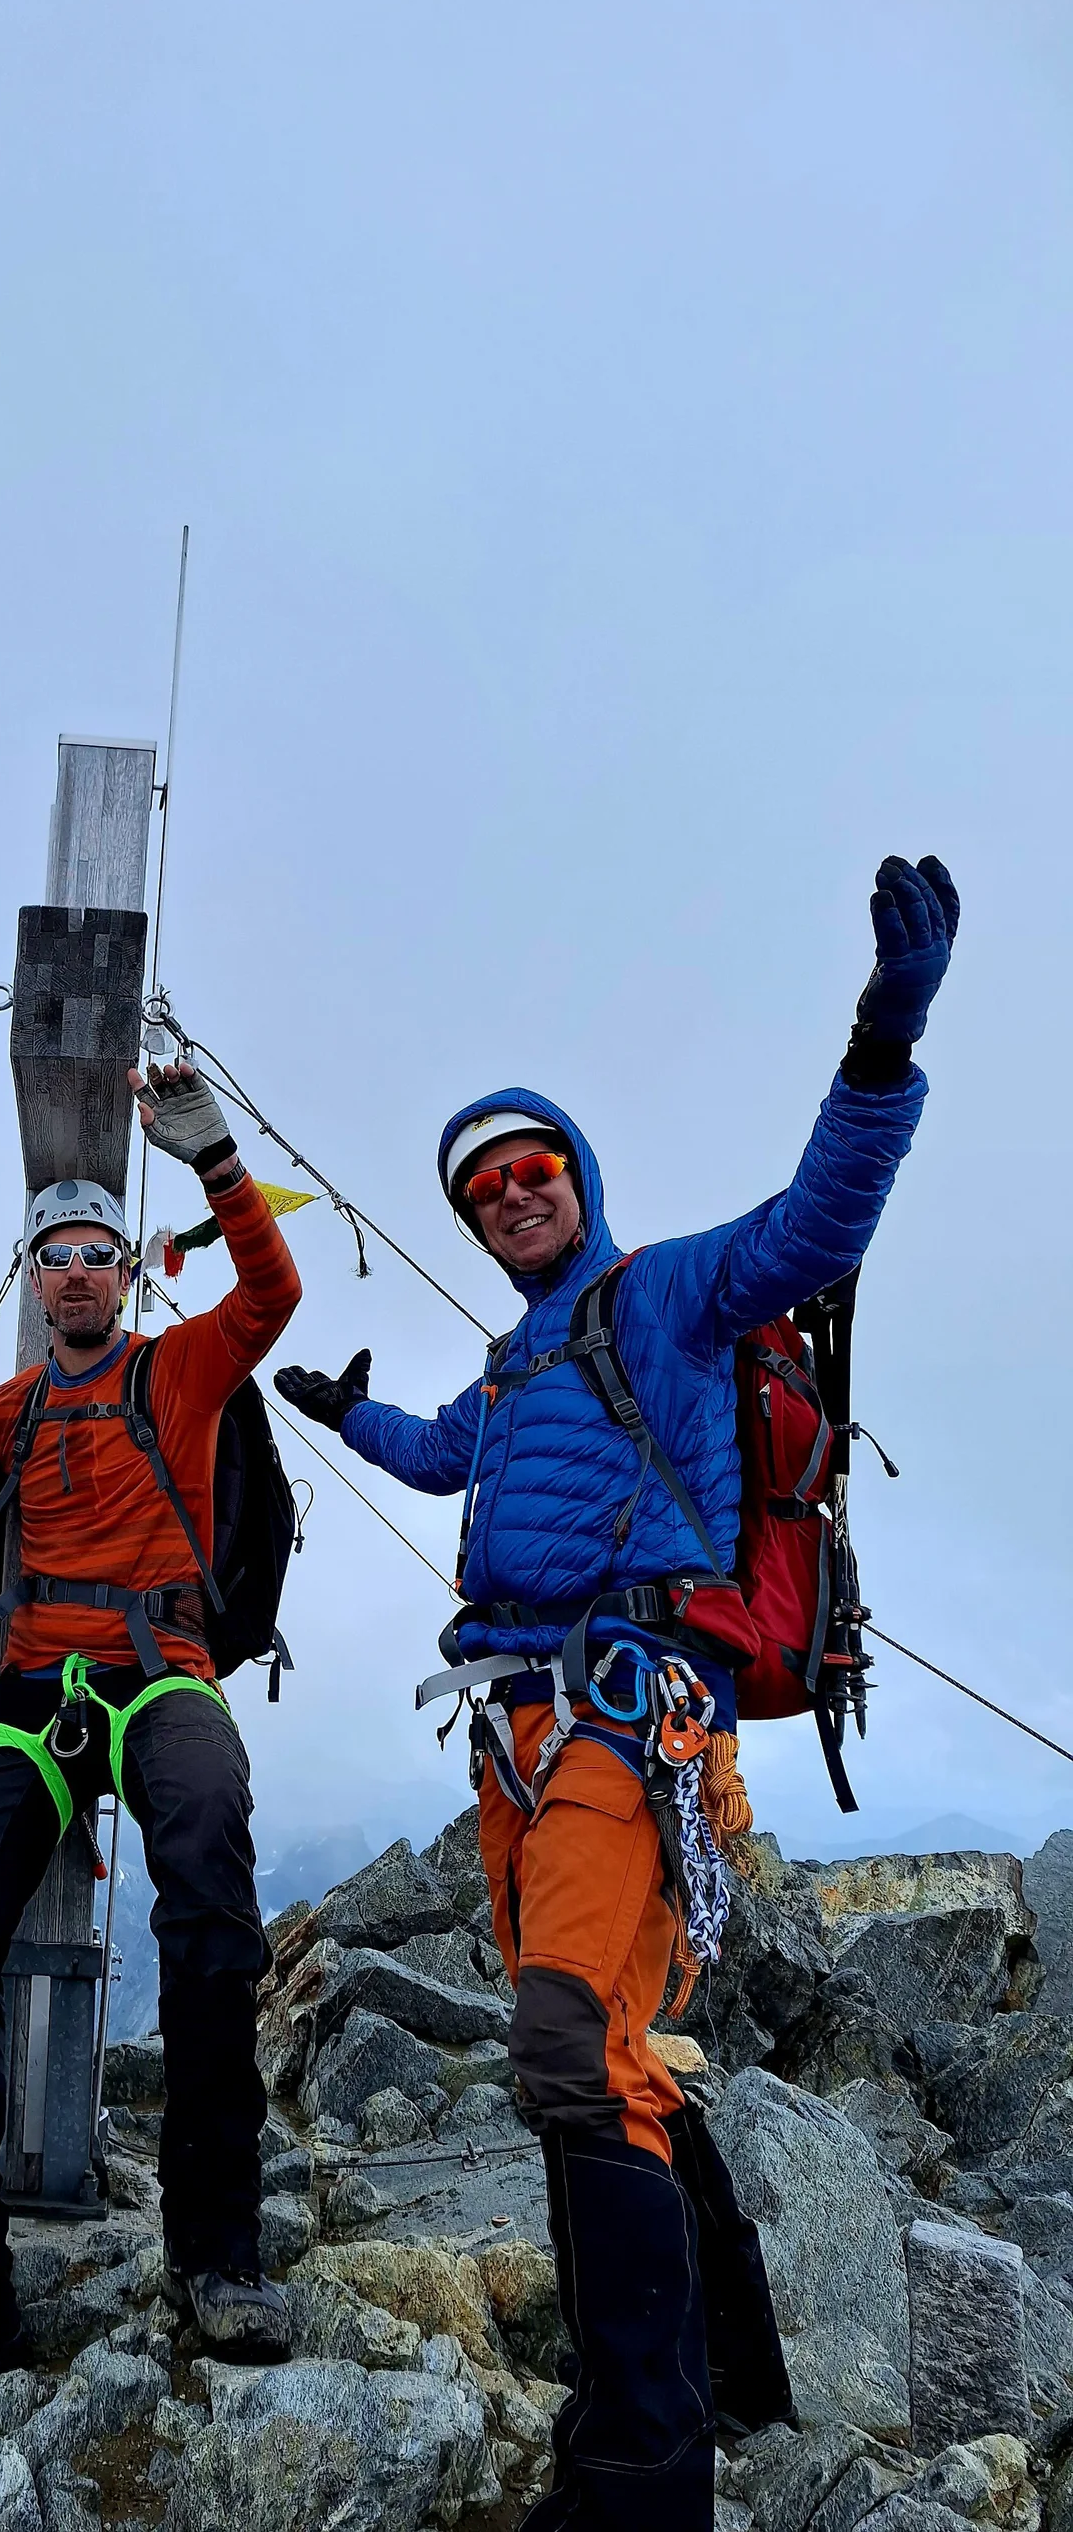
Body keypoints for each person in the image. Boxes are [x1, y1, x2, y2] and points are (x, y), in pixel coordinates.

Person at [275, 857, 959, 2530]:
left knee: (573, 2052)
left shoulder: (663, 1294)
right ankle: (701, 2391)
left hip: (628, 1718)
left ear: (578, 1175)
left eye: (533, 1169)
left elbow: (821, 1222)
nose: (513, 1195)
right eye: (486, 1186)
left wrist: (888, 1034)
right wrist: (346, 1417)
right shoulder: (513, 1367)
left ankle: (641, 2478)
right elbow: (449, 1462)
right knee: (605, 2062)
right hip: (527, 1742)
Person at [0, 1061, 303, 2441]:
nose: (84, 1274)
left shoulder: (186, 1369)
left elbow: (272, 1297)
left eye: (103, 1253)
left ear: (124, 1275)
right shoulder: (1, 1417)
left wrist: (217, 1157)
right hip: (32, 1692)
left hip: (165, 1673)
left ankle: (217, 2253)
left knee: (213, 1891)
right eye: (61, 1257)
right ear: (36, 1278)